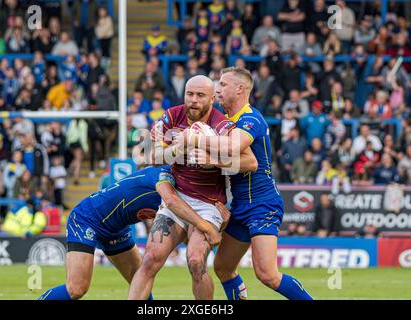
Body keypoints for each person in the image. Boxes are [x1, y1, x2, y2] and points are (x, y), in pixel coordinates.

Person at [128, 75, 257, 300]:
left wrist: (213, 159)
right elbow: (141, 155)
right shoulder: (171, 116)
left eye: (200, 95)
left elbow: (250, 162)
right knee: (150, 259)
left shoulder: (222, 125)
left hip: (209, 205)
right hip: (178, 198)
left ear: (211, 99)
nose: (194, 100)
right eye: (190, 94)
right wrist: (179, 150)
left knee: (196, 261)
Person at [193, 67, 313, 300]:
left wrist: (197, 140)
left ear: (240, 89)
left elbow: (232, 148)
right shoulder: (226, 121)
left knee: (267, 274)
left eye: (223, 84)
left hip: (262, 203)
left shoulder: (250, 118)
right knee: (223, 268)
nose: (217, 89)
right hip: (240, 206)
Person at [39, 166, 223, 300]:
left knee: (142, 281)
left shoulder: (187, 190)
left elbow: (185, 235)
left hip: (116, 229)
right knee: (77, 289)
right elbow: (173, 205)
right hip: (87, 218)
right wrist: (208, 228)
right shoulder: (167, 180)